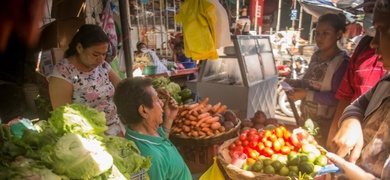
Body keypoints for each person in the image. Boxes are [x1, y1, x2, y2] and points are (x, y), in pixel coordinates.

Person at [327, 0, 390, 178]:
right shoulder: (387, 81)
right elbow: (357, 105)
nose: (373, 43)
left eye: (381, 30)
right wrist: (352, 121)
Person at [285, 13, 349, 146]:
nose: (319, 38)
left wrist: (306, 94)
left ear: (338, 34)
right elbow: (309, 81)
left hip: (325, 124)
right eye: (317, 33)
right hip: (306, 117)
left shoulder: (342, 62)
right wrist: (297, 83)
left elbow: (338, 97)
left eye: (325, 33)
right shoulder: (316, 56)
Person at [48, 24, 124, 136]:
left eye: (104, 54)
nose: (101, 59)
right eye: (95, 54)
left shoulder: (102, 66)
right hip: (90, 137)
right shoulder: (63, 74)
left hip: (115, 127)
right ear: (79, 48)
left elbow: (122, 86)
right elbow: (64, 117)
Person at [114, 77, 192, 179]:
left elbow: (161, 148)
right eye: (157, 100)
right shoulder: (151, 159)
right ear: (144, 111)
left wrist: (168, 119)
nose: (162, 103)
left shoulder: (136, 133)